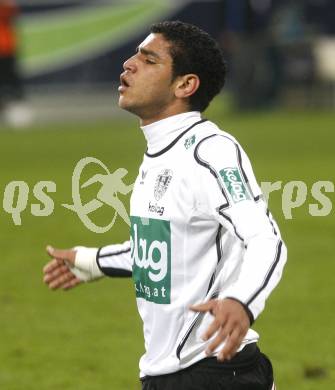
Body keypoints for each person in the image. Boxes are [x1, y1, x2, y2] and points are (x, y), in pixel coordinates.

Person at [43, 21, 286, 390]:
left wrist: (241, 301)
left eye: (148, 60)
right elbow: (167, 247)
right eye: (135, 55)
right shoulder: (161, 152)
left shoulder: (211, 151)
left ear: (185, 85)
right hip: (169, 374)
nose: (128, 64)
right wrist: (92, 262)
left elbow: (266, 239)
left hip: (215, 371)